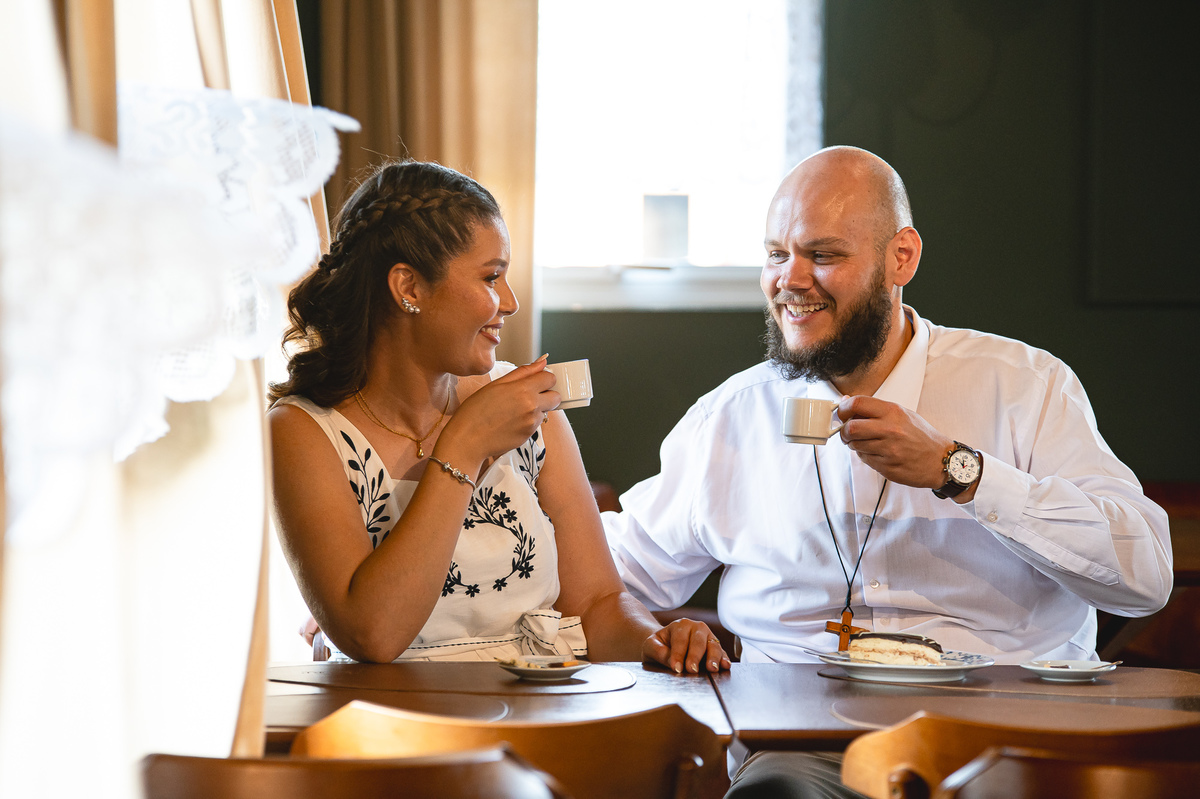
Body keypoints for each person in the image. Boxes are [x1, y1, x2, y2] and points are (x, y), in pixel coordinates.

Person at [603, 146, 1172, 797]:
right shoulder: (731, 416)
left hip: (1001, 746)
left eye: (822, 255)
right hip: (802, 752)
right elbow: (609, 571)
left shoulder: (1023, 387)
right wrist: (659, 633)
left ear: (901, 256)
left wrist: (960, 471)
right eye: (775, 254)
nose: (790, 278)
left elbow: (1146, 576)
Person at [269, 160, 730, 675]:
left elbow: (599, 604)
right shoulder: (303, 432)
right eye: (491, 277)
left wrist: (660, 642)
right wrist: (463, 446)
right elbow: (374, 634)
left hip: (546, 710)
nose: (509, 302)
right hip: (392, 726)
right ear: (409, 288)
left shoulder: (528, 410)